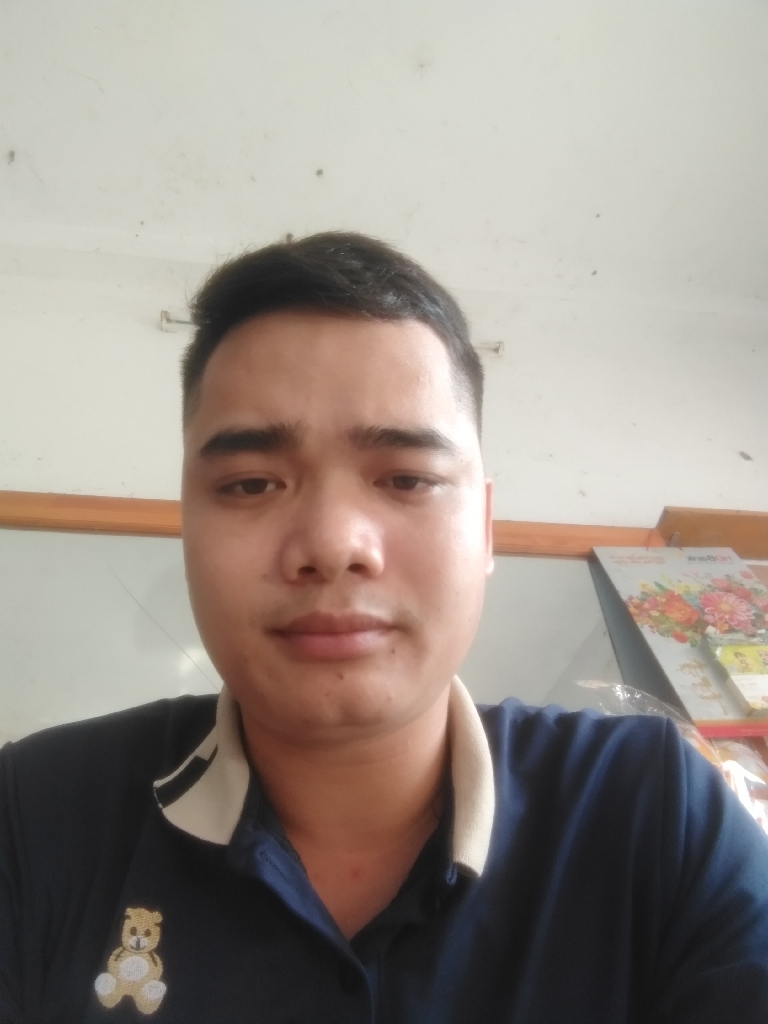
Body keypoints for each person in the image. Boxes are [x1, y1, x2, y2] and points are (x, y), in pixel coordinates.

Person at [1, 232, 768, 1024]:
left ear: (486, 528)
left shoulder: (657, 813)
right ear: (189, 525)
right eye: (252, 483)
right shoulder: (35, 813)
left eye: (406, 478)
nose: (333, 544)